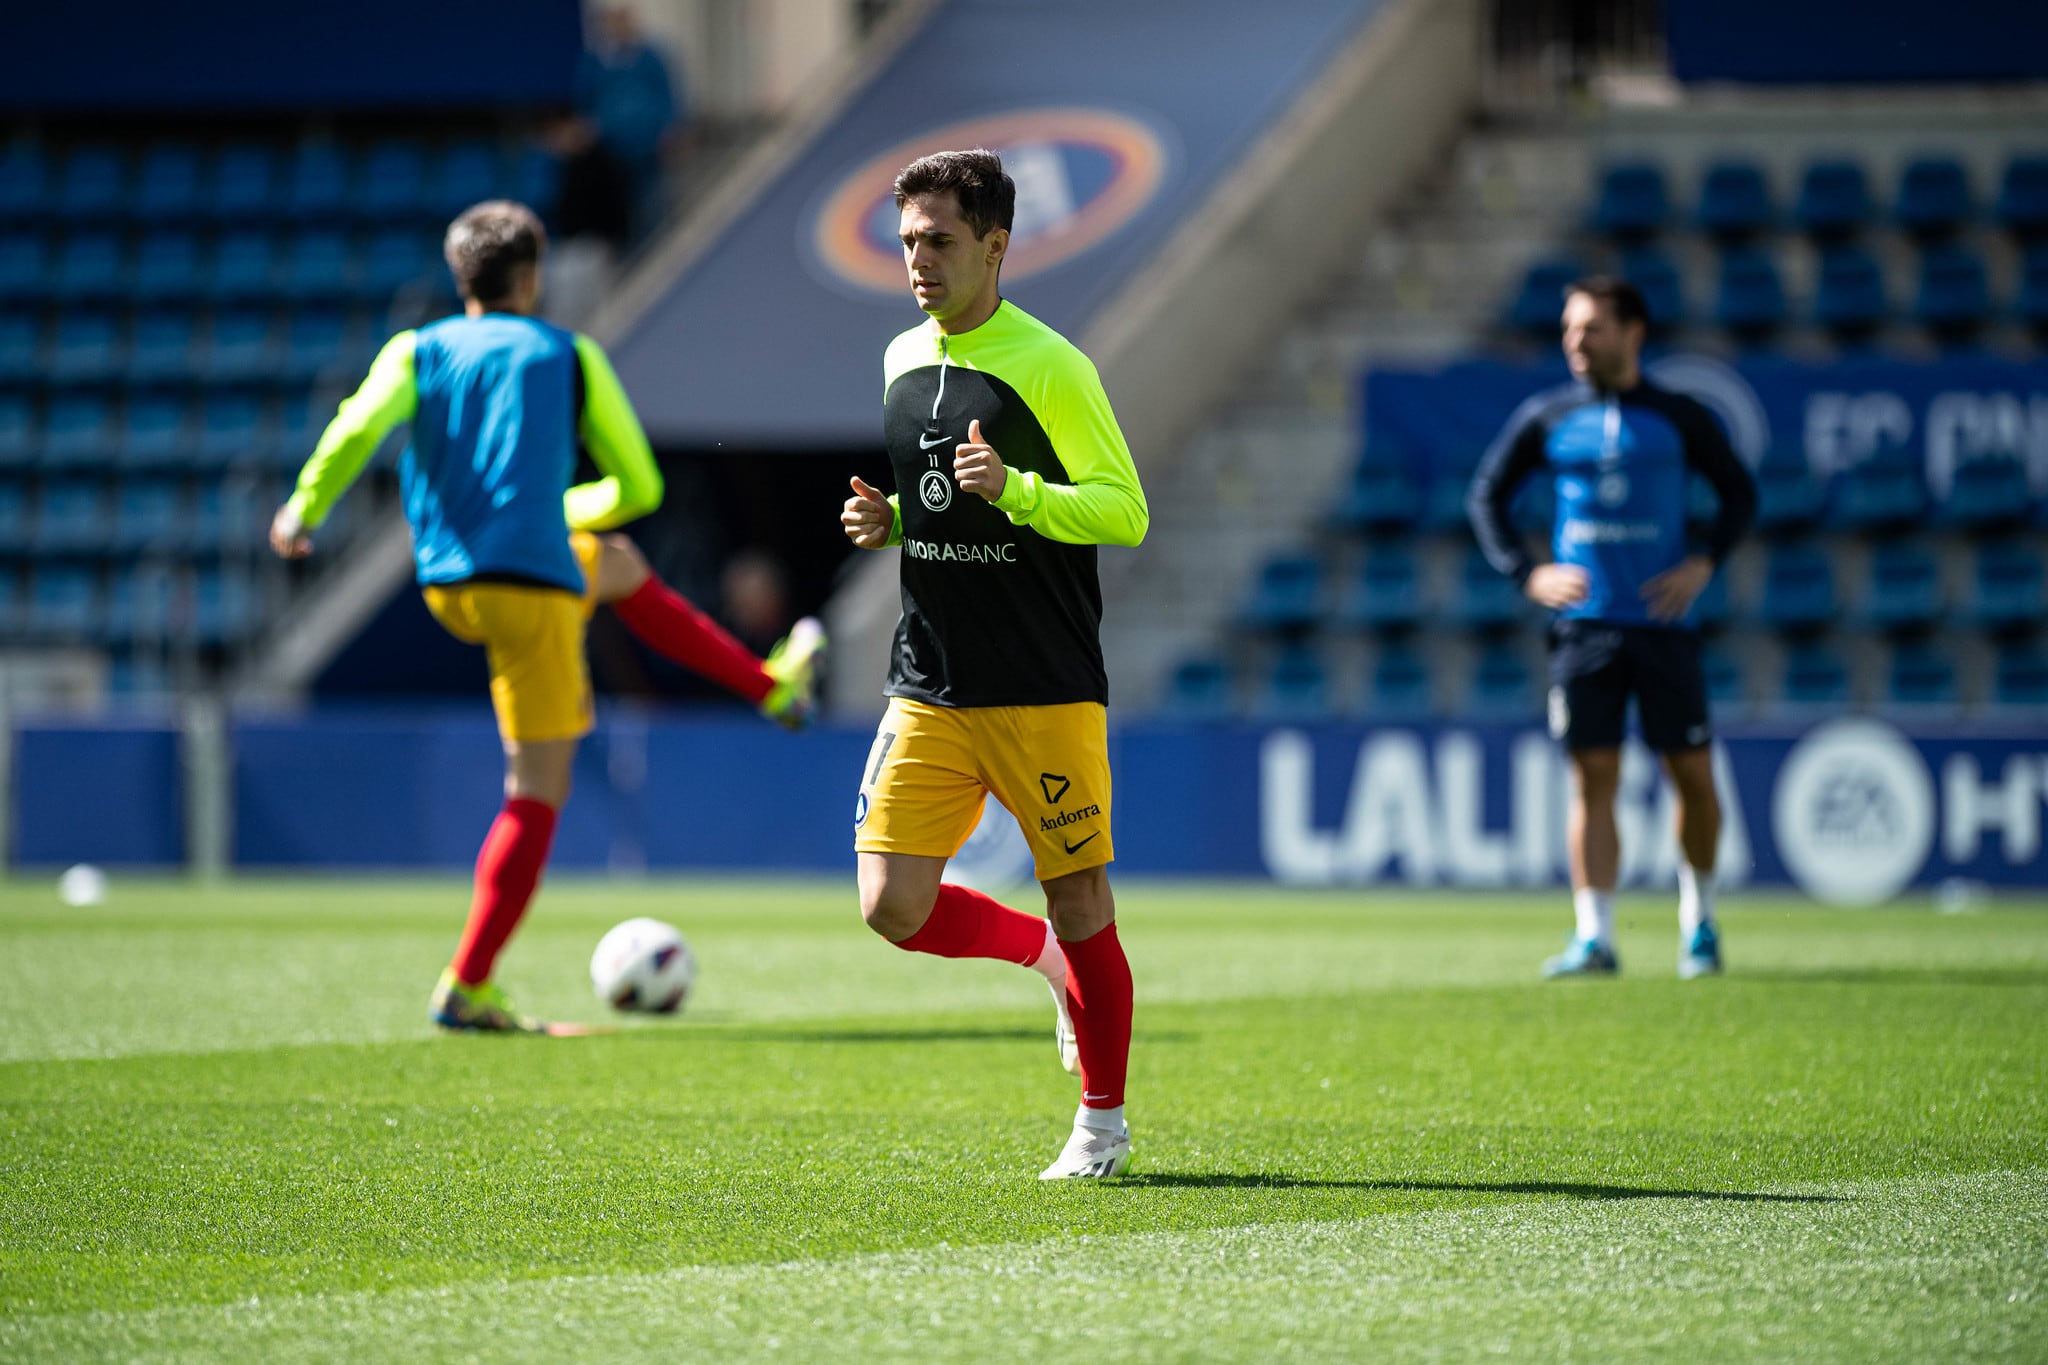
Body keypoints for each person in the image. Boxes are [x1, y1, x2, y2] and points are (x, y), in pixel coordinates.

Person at [270, 200, 824, 1033]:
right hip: (531, 587)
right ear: (533, 278)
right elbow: (639, 488)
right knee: (537, 791)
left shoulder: (415, 350)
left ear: (461, 278)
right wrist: (555, 504)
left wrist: (302, 512)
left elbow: (358, 428)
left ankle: (771, 687)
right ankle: (468, 983)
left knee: (618, 566)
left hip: (449, 584)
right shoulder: (568, 355)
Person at [839, 149, 1149, 1179]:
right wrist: (887, 527)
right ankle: (1045, 963)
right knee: (890, 905)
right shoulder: (895, 358)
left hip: (1042, 681)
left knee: (1083, 900)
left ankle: (1099, 1126)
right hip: (928, 673)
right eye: (907, 243)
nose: (917, 262)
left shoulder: (1052, 365)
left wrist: (1017, 489)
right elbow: (941, 513)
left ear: (996, 246)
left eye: (938, 241)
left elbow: (1122, 510)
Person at [1468, 275, 1757, 980]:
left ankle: (1700, 923)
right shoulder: (1549, 415)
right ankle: (1594, 935)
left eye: (1591, 327)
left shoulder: (1678, 415)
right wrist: (1526, 572)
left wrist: (1702, 562)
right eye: (1569, 328)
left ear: (1633, 332)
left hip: (1661, 624)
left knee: (1689, 773)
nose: (1575, 341)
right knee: (1591, 779)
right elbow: (1487, 495)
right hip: (1583, 630)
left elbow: (1739, 493)